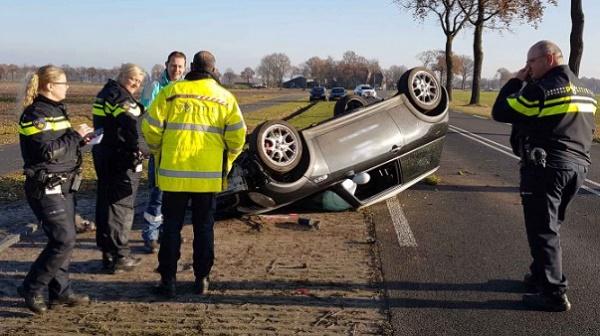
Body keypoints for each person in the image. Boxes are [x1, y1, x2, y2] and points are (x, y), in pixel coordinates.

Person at [491, 40, 597, 312]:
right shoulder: (586, 91)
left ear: (549, 58)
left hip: (547, 168)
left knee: (542, 229)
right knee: (550, 225)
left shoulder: (542, 90)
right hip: (578, 169)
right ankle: (540, 275)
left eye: (531, 63)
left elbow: (501, 111)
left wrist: (515, 81)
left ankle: (554, 292)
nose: (528, 68)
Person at [142, 51, 246, 297]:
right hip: (208, 178)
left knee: (171, 228)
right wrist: (227, 162)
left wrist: (159, 152)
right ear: (213, 69)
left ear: (191, 68)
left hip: (173, 175)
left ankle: (168, 281)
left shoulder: (170, 94)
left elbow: (150, 128)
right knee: (204, 229)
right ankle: (202, 279)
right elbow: (237, 137)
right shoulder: (225, 98)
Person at [17, 65, 92, 314]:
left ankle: (60, 292)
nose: (67, 87)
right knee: (63, 239)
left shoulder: (56, 110)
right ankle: (31, 287)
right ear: (50, 86)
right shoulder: (35, 115)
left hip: (64, 185)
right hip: (46, 187)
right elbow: (46, 151)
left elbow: (61, 146)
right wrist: (74, 134)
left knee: (64, 239)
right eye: (64, 83)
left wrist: (80, 139)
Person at [92, 63, 146, 274]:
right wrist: (142, 150)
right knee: (122, 206)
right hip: (121, 157)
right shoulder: (121, 98)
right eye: (133, 79)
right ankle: (120, 256)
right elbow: (131, 126)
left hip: (104, 154)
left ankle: (108, 253)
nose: (136, 84)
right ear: (123, 76)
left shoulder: (105, 93)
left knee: (106, 203)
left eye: (139, 81)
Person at [139, 51, 187, 254]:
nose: (176, 69)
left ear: (185, 68)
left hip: (179, 151)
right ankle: (151, 234)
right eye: (173, 65)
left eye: (180, 66)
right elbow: (147, 118)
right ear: (166, 65)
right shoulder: (155, 87)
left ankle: (169, 231)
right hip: (160, 150)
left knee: (176, 195)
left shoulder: (186, 89)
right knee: (157, 193)